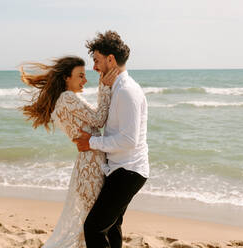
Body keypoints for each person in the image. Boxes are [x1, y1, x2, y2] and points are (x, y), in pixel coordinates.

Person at [19, 56, 119, 247]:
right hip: (91, 170)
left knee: (93, 227)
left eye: (85, 76)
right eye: (80, 76)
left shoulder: (65, 99)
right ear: (66, 77)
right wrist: (104, 87)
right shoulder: (67, 98)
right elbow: (98, 120)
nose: (85, 80)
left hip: (89, 165)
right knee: (96, 228)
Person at [73, 31, 149, 248]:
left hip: (129, 171)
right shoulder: (115, 88)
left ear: (110, 59)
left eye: (96, 60)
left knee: (94, 228)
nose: (94, 67)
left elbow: (128, 140)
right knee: (111, 226)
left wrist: (91, 143)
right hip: (120, 169)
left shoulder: (127, 91)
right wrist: (103, 88)